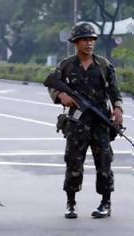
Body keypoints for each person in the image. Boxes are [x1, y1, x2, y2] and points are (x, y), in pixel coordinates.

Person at [46, 22, 123, 219]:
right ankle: (71, 203)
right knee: (73, 162)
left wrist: (117, 108)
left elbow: (114, 91)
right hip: (76, 123)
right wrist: (60, 95)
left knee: (104, 162)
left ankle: (106, 203)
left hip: (100, 122)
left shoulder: (104, 65)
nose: (89, 43)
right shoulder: (67, 65)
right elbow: (52, 84)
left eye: (91, 40)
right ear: (76, 42)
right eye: (84, 40)